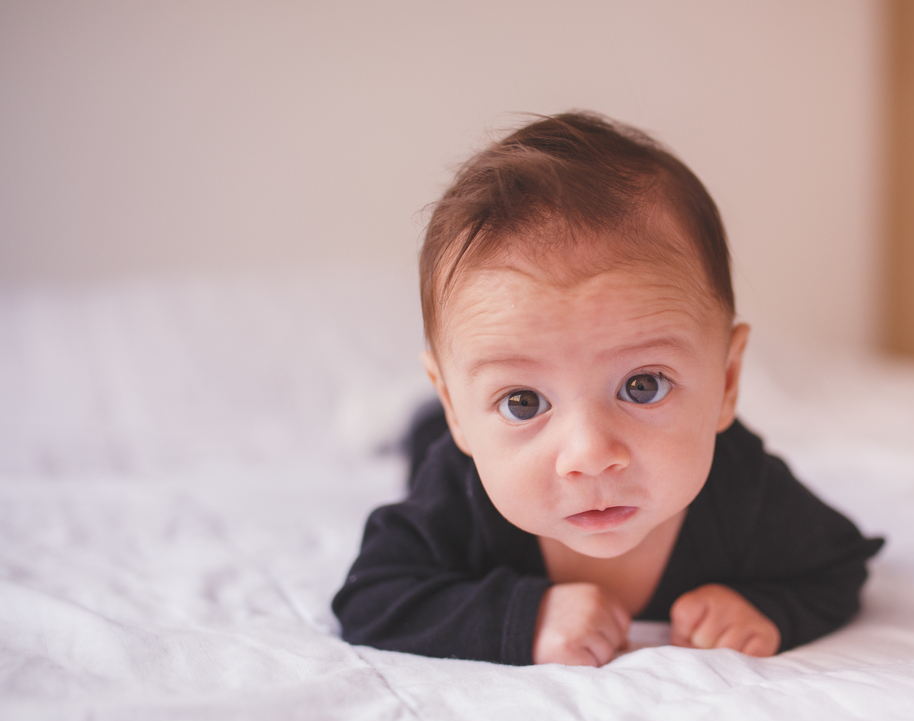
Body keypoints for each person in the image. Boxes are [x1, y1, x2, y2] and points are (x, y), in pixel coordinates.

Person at [332, 112, 884, 667]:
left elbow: (837, 565)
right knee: (421, 440)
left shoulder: (744, 488)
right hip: (439, 439)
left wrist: (767, 609)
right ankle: (421, 417)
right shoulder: (460, 492)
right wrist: (524, 619)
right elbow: (372, 599)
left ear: (727, 382)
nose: (590, 455)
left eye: (642, 386)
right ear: (457, 408)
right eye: (523, 402)